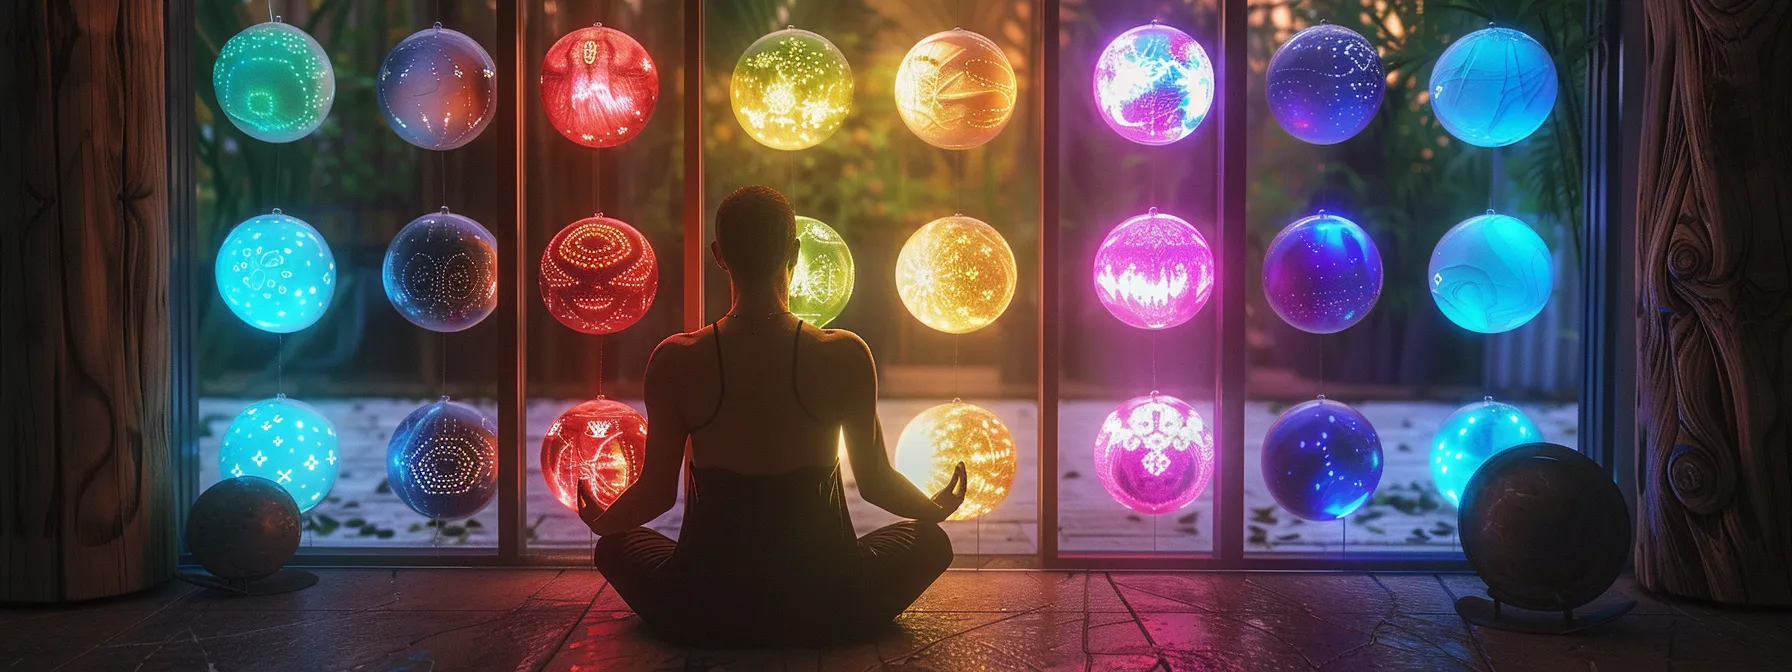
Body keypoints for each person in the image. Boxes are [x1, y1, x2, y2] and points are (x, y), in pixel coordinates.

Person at [576, 185, 968, 648]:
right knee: (931, 543)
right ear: (795, 252)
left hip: (705, 601)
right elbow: (876, 481)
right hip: (828, 597)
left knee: (613, 547)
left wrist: (603, 522)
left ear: (719, 256)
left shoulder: (675, 360)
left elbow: (657, 494)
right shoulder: (843, 354)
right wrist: (931, 508)